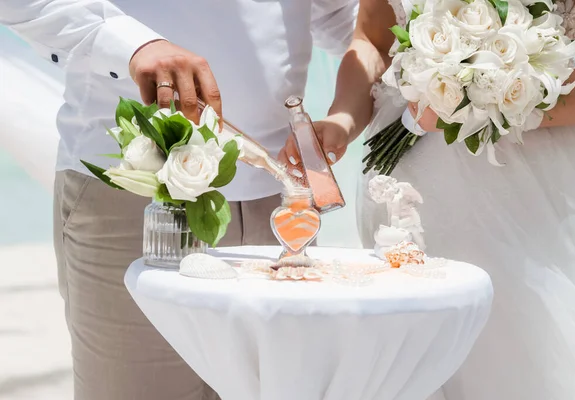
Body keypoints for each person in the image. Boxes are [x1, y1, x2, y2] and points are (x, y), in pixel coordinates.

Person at [0, 1, 359, 398]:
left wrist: (411, 69)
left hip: (280, 208)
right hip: (135, 194)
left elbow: (341, 16)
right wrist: (133, 45)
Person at [334, 0, 575, 398]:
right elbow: (372, 40)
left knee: (519, 359)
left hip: (531, 188)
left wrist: (501, 107)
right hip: (406, 191)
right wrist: (341, 120)